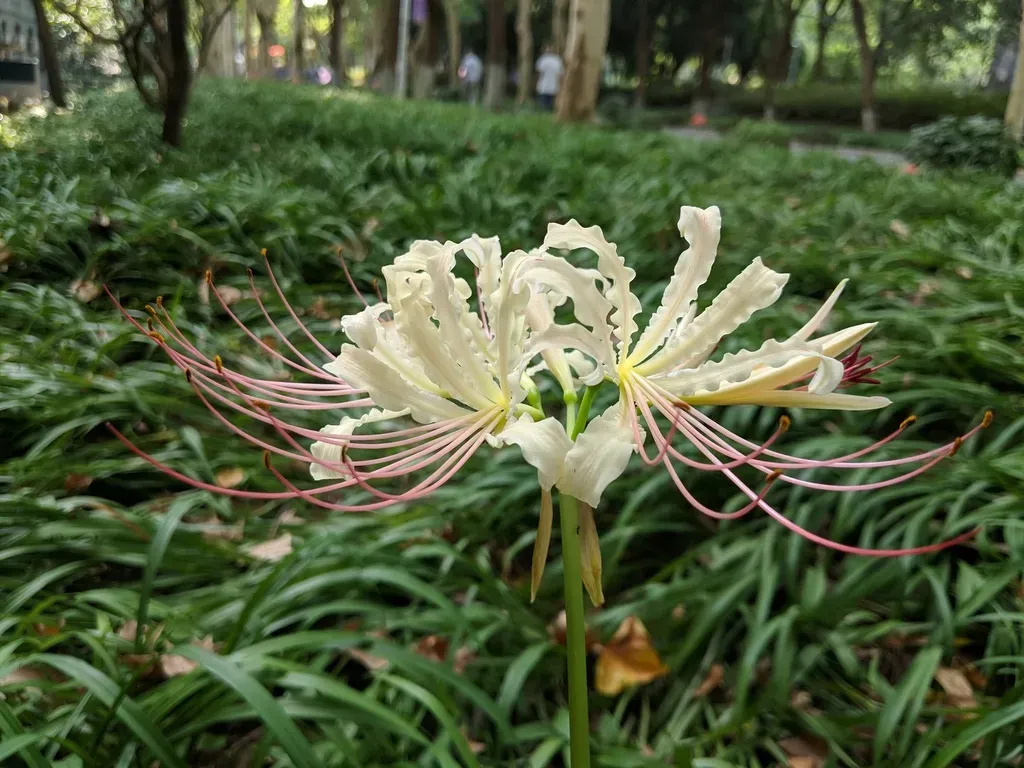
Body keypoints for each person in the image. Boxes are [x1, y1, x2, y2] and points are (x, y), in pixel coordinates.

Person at [535, 45, 564, 111]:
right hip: (554, 86)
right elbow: (561, 75)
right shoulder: (558, 60)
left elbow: (539, 73)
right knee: (551, 105)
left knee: (543, 105)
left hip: (543, 85)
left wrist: (537, 83)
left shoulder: (542, 59)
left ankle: (543, 114)